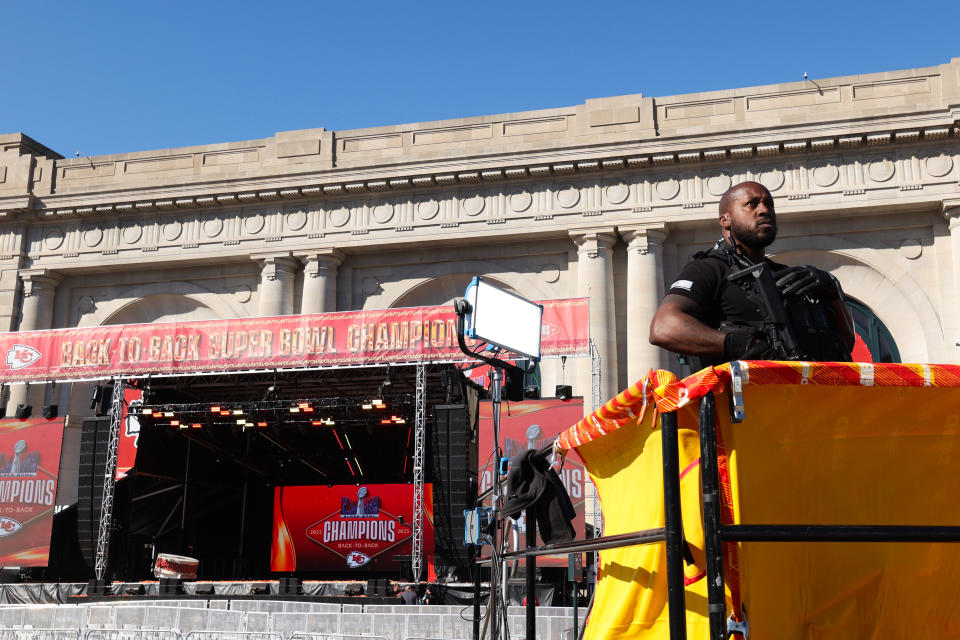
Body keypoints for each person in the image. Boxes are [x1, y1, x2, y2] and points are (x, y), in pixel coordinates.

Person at [649, 181, 855, 368]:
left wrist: (832, 290)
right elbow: (664, 327)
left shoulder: (787, 276)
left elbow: (847, 343)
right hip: (739, 403)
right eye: (752, 204)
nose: (764, 210)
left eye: (769, 205)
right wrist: (739, 344)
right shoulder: (708, 268)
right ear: (725, 220)